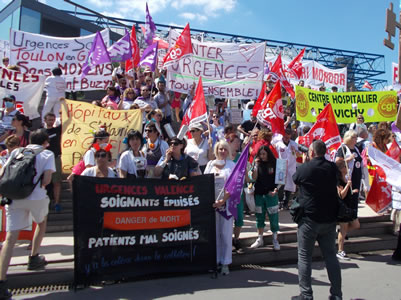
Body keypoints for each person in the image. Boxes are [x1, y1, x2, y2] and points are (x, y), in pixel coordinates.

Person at [0, 129, 56, 299]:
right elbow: (46, 180)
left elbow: (4, 173)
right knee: (41, 222)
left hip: (13, 197)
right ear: (45, 141)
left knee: (10, 238)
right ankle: (34, 257)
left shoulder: (17, 151)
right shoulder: (47, 154)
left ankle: (1, 281)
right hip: (35, 196)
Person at [292, 140, 342, 300]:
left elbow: (295, 179)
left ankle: (306, 294)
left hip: (309, 219)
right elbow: (339, 179)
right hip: (329, 218)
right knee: (331, 256)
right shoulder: (332, 167)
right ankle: (336, 294)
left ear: (311, 152)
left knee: (305, 256)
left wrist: (307, 162)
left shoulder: (305, 168)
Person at [204, 140, 235, 276]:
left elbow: (234, 186)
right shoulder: (210, 165)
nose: (222, 151)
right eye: (220, 149)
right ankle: (215, 261)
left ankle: (225, 263)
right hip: (212, 205)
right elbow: (204, 183)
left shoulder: (232, 165)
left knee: (226, 234)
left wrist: (223, 200)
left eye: (225, 149)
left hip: (227, 205)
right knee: (215, 234)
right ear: (216, 150)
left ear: (228, 151)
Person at [249, 145, 280, 251]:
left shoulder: (274, 163)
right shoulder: (257, 163)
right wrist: (255, 167)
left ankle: (275, 238)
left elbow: (280, 178)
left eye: (264, 154)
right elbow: (253, 178)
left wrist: (276, 189)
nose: (262, 156)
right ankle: (260, 238)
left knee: (273, 216)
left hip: (271, 194)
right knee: (259, 216)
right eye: (260, 154)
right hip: (259, 194)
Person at [335, 130, 363, 219]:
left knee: (355, 197)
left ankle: (354, 216)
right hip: (347, 178)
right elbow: (337, 163)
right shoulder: (343, 149)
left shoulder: (356, 149)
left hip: (356, 177)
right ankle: (347, 218)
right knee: (349, 198)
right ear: (349, 138)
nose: (356, 139)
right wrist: (348, 159)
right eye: (354, 137)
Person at [335, 159, 359, 261]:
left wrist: (352, 190)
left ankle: (340, 233)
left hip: (349, 206)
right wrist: (348, 185)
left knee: (356, 225)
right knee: (344, 229)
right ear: (341, 169)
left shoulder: (345, 178)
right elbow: (341, 195)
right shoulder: (338, 181)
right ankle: (340, 250)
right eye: (345, 167)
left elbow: (347, 193)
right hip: (342, 208)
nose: (347, 168)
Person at [43, 112, 62, 212]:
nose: (51, 122)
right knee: (44, 182)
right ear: (45, 120)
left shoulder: (57, 130)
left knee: (57, 181)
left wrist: (63, 110)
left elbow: (67, 122)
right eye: (49, 120)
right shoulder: (40, 132)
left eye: (52, 120)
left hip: (55, 158)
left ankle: (57, 202)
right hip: (44, 159)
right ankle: (44, 203)